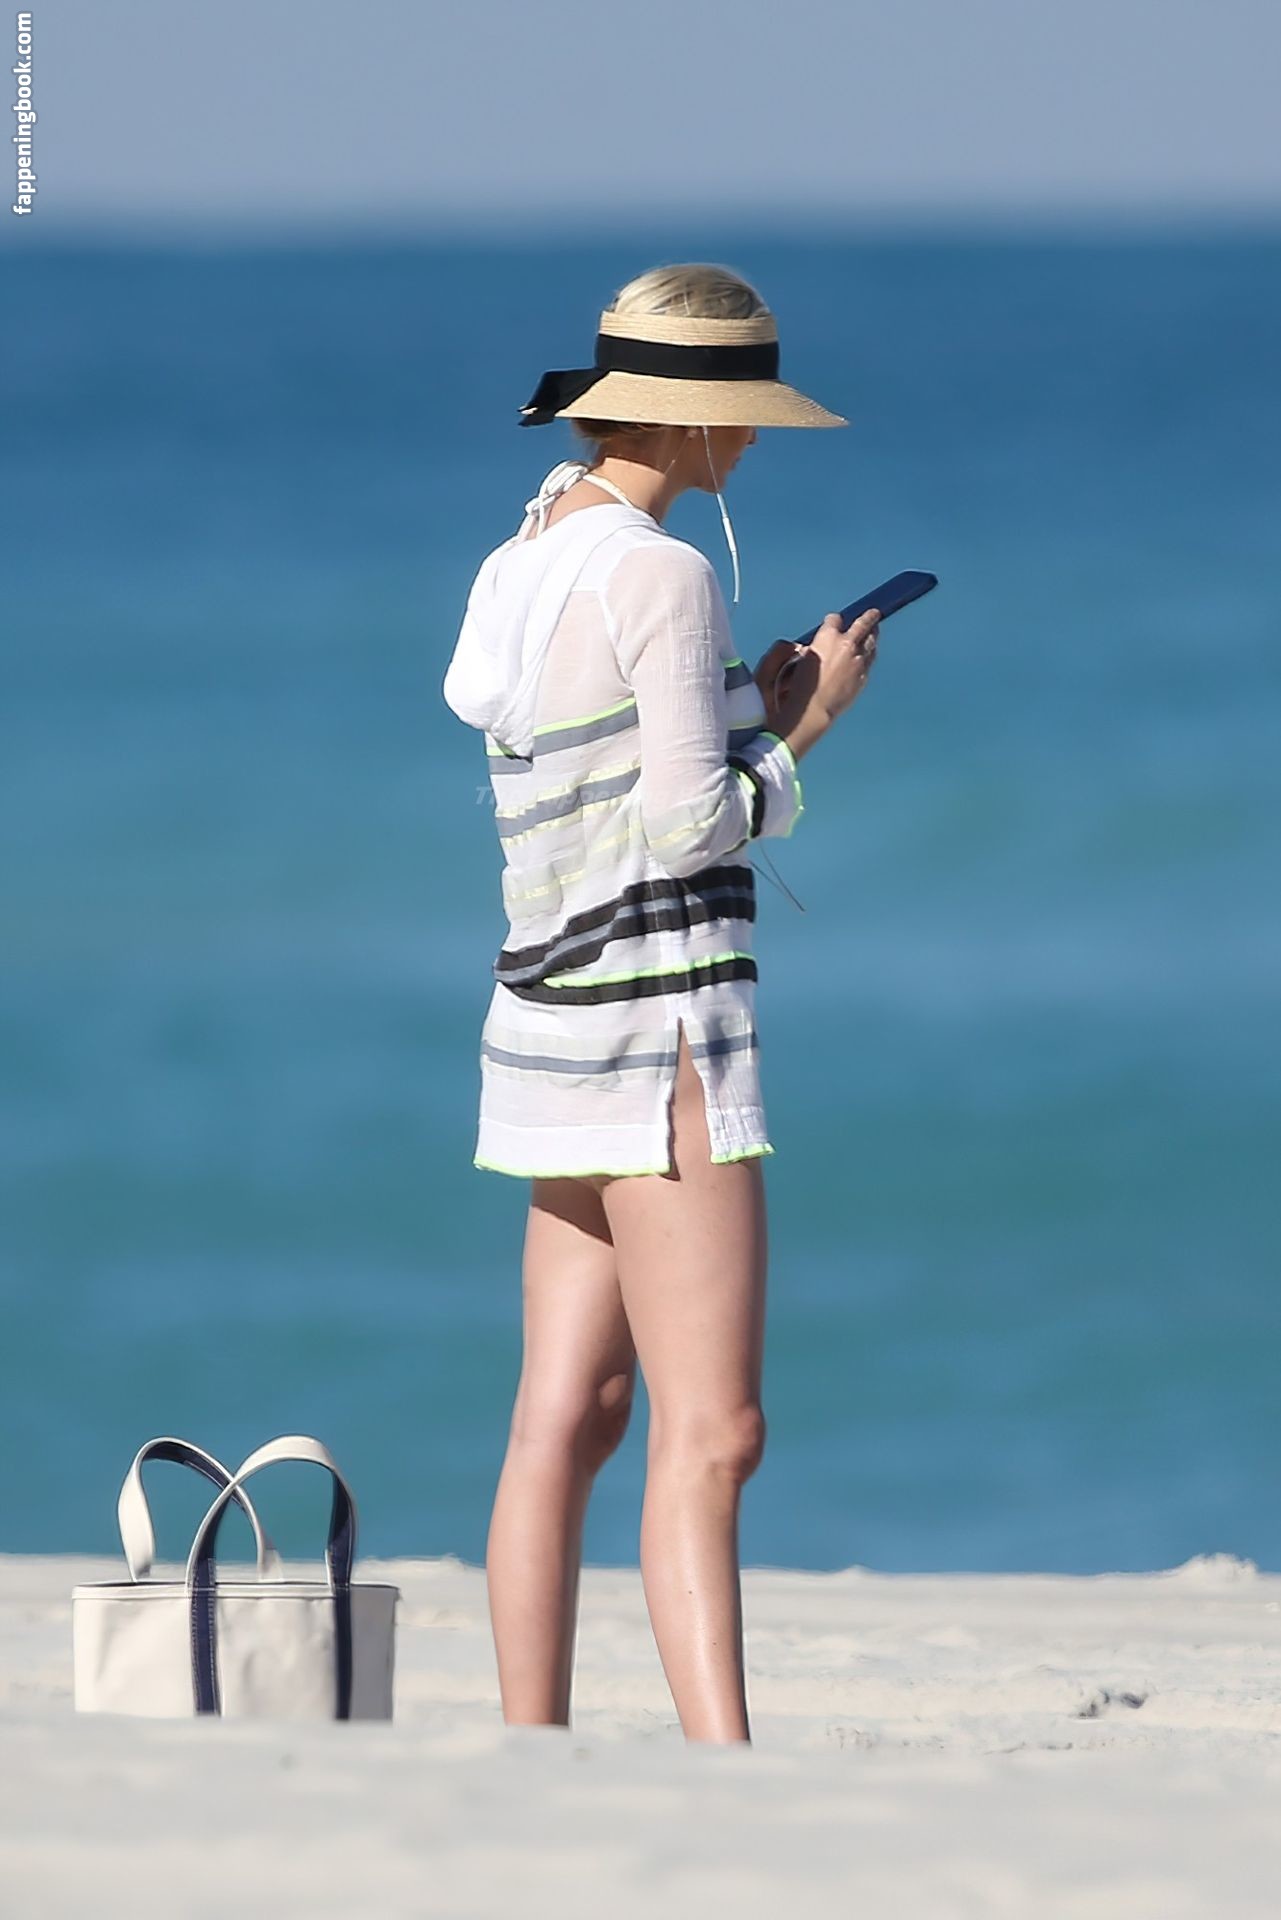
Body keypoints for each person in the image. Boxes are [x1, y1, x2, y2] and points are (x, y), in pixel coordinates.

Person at [442, 262, 880, 1745]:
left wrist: (747, 702)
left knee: (566, 1414)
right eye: (741, 414)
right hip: (658, 1021)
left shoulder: (524, 553)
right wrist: (806, 729)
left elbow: (600, 763)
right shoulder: (662, 571)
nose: (751, 440)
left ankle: (531, 1746)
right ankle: (724, 1767)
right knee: (716, 1431)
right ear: (687, 419)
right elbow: (690, 825)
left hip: (546, 1018)